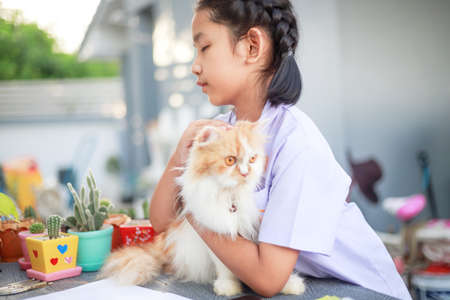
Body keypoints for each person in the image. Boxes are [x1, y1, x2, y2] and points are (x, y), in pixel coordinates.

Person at [150, 0, 411, 299]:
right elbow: (161, 220)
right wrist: (183, 147)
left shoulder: (297, 142)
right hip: (311, 288)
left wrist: (195, 208)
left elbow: (268, 278)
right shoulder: (220, 132)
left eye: (205, 47)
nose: (195, 65)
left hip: (361, 291)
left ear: (252, 46)